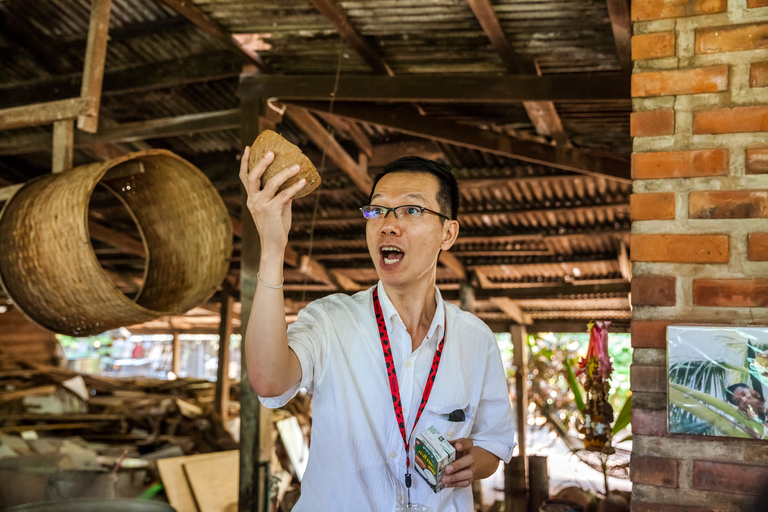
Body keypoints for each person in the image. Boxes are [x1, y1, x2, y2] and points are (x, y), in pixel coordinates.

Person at [239, 148, 515, 511]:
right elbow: (269, 381)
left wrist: (471, 463)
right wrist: (272, 248)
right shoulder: (330, 320)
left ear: (448, 233)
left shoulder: (475, 339)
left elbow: (493, 446)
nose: (388, 224)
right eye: (377, 210)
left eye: (412, 210)